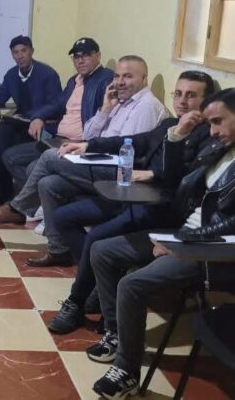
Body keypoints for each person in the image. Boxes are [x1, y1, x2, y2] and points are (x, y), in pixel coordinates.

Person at [88, 88, 235, 400]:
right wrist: (177, 137)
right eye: (209, 123)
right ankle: (116, 333)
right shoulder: (219, 149)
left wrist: (183, 244)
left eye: (219, 121)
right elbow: (172, 179)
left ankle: (127, 370)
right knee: (102, 250)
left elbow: (230, 225)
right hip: (182, 235)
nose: (212, 131)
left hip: (211, 251)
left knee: (132, 284)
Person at [45, 71, 215, 334]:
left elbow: (190, 177)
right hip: (131, 195)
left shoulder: (207, 135)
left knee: (96, 238)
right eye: (178, 93)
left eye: (191, 95)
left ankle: (76, 302)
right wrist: (88, 145)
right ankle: (97, 285)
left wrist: (153, 174)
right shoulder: (169, 123)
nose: (182, 101)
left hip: (157, 207)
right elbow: (137, 141)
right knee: (63, 217)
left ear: (207, 101)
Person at [0, 55, 170, 228]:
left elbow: (127, 150)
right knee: (48, 183)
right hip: (99, 158)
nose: (120, 82)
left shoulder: (146, 106)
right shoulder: (119, 101)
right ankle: (58, 245)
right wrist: (105, 109)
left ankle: (18, 208)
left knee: (50, 156)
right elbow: (88, 133)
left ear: (144, 79)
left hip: (119, 171)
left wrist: (88, 150)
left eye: (128, 76)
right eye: (117, 76)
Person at [0, 37, 114, 190]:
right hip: (57, 138)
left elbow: (103, 118)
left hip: (77, 143)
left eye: (85, 56)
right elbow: (57, 103)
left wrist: (85, 144)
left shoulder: (105, 79)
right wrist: (38, 117)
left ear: (98, 56)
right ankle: (34, 199)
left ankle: (29, 200)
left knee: (32, 168)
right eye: (76, 57)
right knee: (9, 155)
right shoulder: (74, 80)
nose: (80, 61)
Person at [0, 35, 62, 205]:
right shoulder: (12, 74)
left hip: (44, 124)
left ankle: (30, 195)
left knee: (10, 145)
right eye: (15, 52)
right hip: (22, 121)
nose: (20, 56)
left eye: (23, 51)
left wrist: (39, 116)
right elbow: (2, 92)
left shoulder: (48, 74)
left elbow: (56, 104)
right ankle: (0, 189)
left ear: (31, 51)